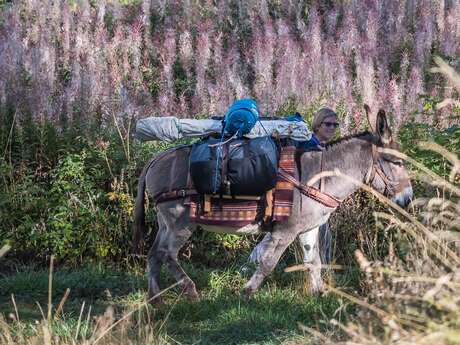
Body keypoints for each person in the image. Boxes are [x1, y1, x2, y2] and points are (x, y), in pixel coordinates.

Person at [248, 107, 340, 266]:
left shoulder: (322, 147)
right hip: (298, 202)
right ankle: (249, 267)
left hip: (311, 203)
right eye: (328, 124)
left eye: (335, 125)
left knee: (280, 238)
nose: (332, 128)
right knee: (276, 238)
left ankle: (250, 266)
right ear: (318, 125)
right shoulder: (309, 145)